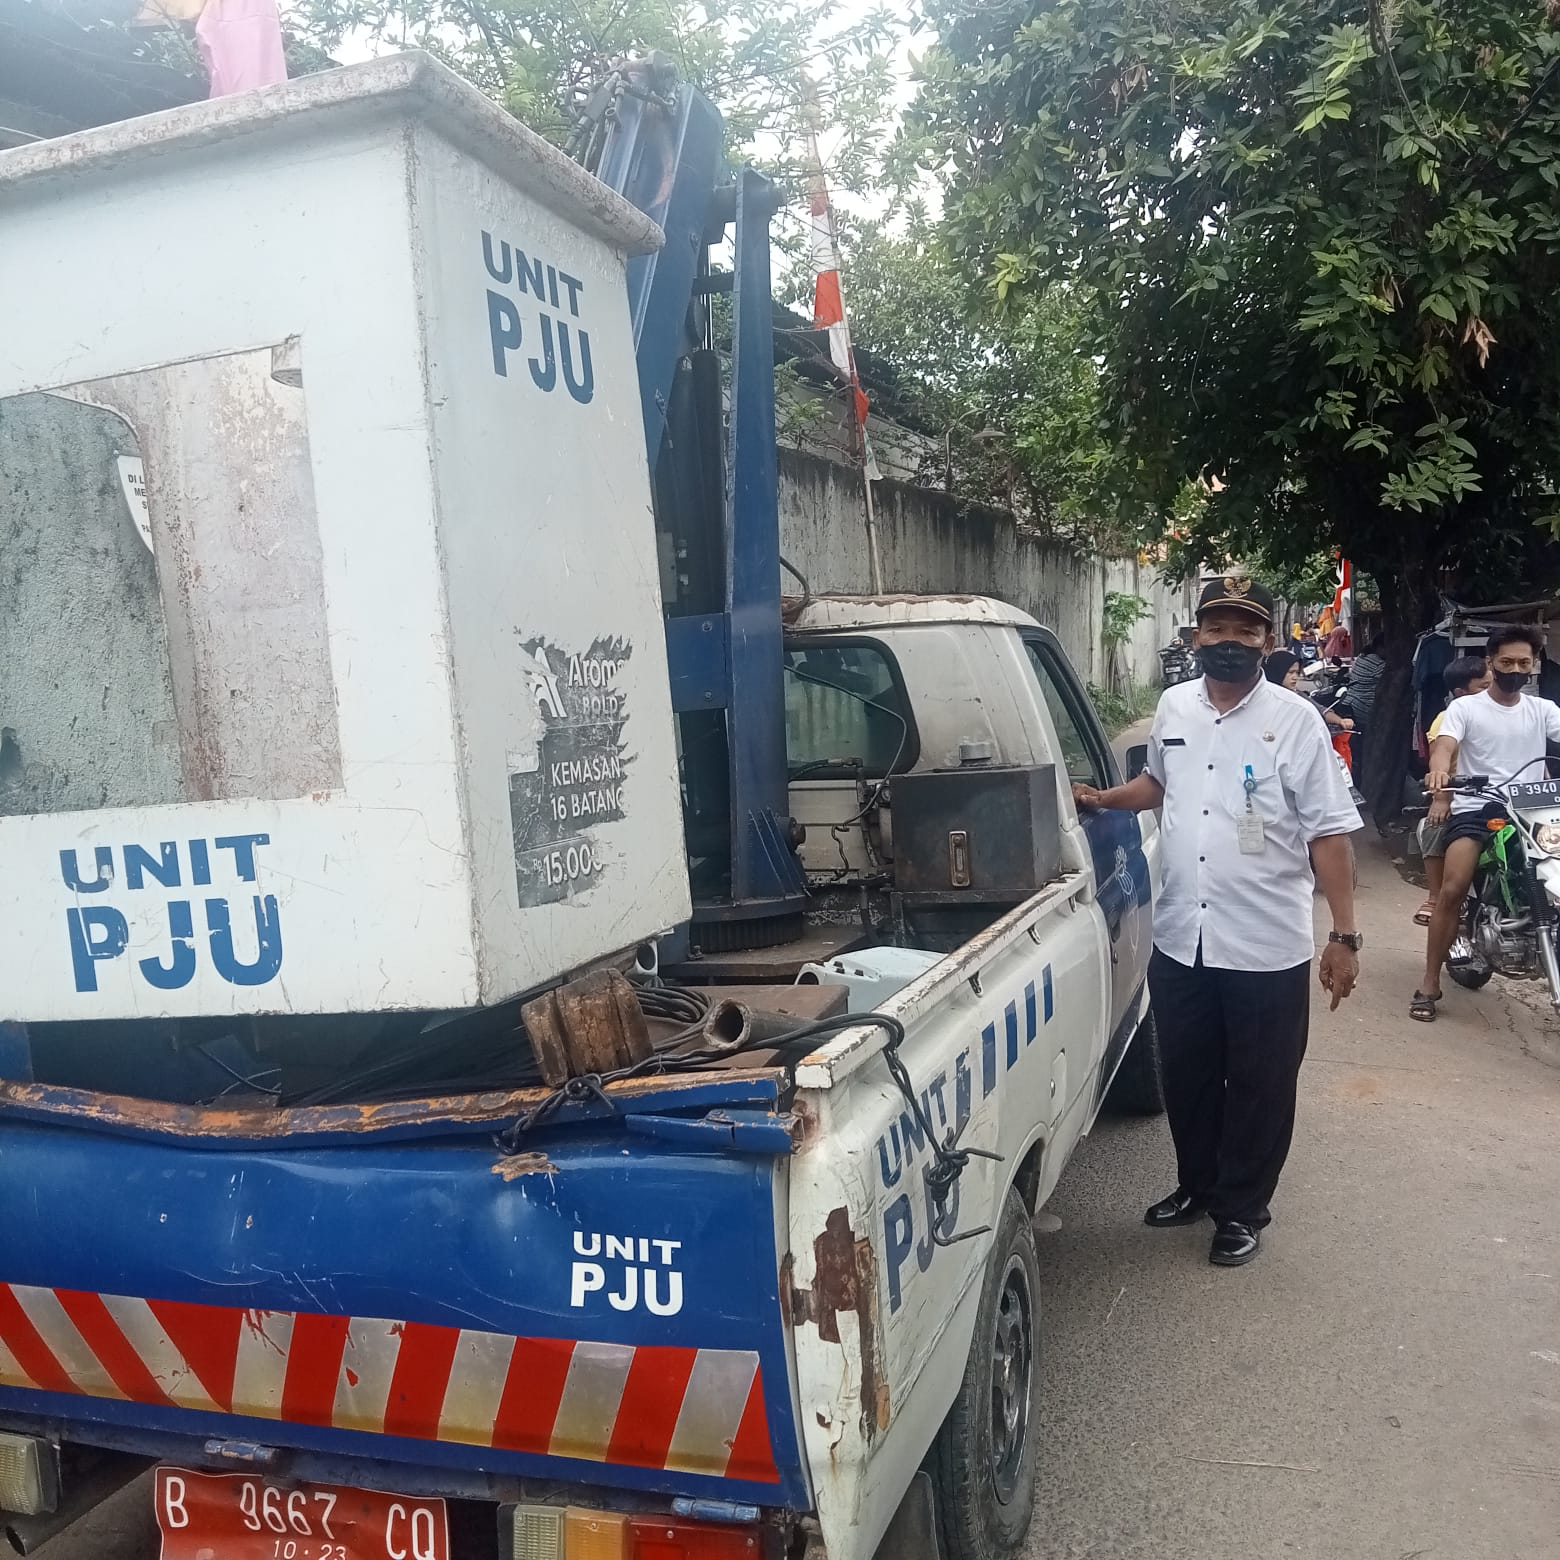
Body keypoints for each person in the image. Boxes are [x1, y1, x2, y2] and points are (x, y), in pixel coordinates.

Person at [1074, 576, 1362, 1267]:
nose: (1229, 642)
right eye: (1217, 629)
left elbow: (1328, 834)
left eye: (1245, 631)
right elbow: (1160, 785)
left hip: (1266, 942)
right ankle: (1196, 1187)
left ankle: (1241, 1210)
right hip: (1182, 937)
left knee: (1262, 1085)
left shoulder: (1295, 721)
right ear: (1196, 635)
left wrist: (1345, 935)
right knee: (1189, 1074)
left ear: (1267, 640)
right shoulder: (1174, 705)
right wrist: (1104, 798)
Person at [1415, 626, 1560, 1020]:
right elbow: (1444, 746)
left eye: (1524, 663)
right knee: (1455, 886)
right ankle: (1429, 983)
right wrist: (1440, 773)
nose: (1516, 669)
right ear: (1491, 663)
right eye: (1507, 661)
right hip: (1479, 807)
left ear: (1534, 666)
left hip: (1533, 811)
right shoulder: (1466, 708)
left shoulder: (1542, 709)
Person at [1412, 656, 1492, 928]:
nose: (1490, 691)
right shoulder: (1447, 719)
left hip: (1505, 797)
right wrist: (1442, 797)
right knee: (1433, 827)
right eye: (1483, 687)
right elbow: (1440, 760)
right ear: (1461, 693)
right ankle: (1435, 897)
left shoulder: (1507, 712)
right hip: (1463, 797)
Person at [1264, 650, 1354, 735]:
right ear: (1278, 672)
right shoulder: (1266, 699)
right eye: (1290, 673)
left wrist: (1340, 721)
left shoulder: (1298, 694)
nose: (1295, 677)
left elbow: (1320, 710)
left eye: (1297, 672)